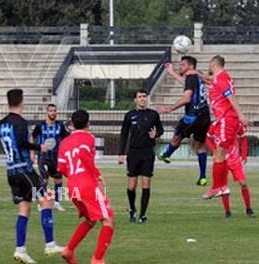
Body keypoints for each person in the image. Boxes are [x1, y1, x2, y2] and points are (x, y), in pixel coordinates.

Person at [0, 89, 64, 264]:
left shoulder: (3, 123)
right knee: (48, 199)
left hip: (11, 172)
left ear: (8, 104)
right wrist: (40, 148)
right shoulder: (20, 122)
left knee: (24, 209)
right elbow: (22, 142)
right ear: (22, 102)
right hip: (24, 171)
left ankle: (20, 250)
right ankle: (50, 244)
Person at [197, 55, 255, 219]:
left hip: (226, 119)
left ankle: (217, 187)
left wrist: (241, 115)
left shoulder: (221, 79)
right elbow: (211, 82)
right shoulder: (222, 78)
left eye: (209, 64)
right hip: (225, 119)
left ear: (214, 64)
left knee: (219, 153)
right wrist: (196, 74)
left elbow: (231, 97)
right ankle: (220, 187)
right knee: (219, 154)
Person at [58, 109, 115, 264]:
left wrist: (74, 179)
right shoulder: (88, 137)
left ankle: (68, 250)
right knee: (108, 220)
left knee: (90, 220)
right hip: (87, 185)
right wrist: (96, 174)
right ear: (88, 123)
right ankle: (97, 259)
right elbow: (83, 154)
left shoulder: (64, 143)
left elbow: (61, 169)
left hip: (72, 186)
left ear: (72, 124)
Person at [157, 56, 211, 186]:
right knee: (200, 146)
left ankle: (167, 154)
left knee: (177, 135)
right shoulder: (197, 77)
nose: (180, 67)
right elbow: (186, 83)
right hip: (205, 116)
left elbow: (187, 98)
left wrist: (168, 109)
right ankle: (203, 177)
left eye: (182, 64)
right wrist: (172, 72)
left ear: (190, 66)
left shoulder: (191, 77)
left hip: (192, 116)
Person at [118, 89, 164, 224]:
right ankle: (132, 209)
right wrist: (121, 153)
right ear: (135, 99)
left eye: (144, 96)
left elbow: (160, 129)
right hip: (133, 152)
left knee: (146, 184)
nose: (143, 99)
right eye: (140, 97)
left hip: (148, 152)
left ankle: (143, 215)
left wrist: (155, 134)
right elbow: (124, 135)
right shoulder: (129, 115)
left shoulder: (153, 114)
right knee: (131, 186)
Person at [206, 124, 252, 218]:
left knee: (243, 183)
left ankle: (248, 209)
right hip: (221, 160)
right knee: (223, 187)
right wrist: (214, 150)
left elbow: (243, 137)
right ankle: (227, 212)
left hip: (235, 160)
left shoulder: (235, 124)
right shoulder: (215, 125)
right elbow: (207, 138)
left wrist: (244, 154)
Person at [31, 103, 70, 211]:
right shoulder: (40, 126)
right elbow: (32, 138)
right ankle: (41, 203)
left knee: (58, 179)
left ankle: (57, 202)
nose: (53, 113)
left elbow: (67, 138)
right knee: (44, 180)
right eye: (51, 111)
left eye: (55, 111)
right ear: (47, 112)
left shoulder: (60, 126)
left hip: (56, 157)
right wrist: (33, 152)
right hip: (43, 157)